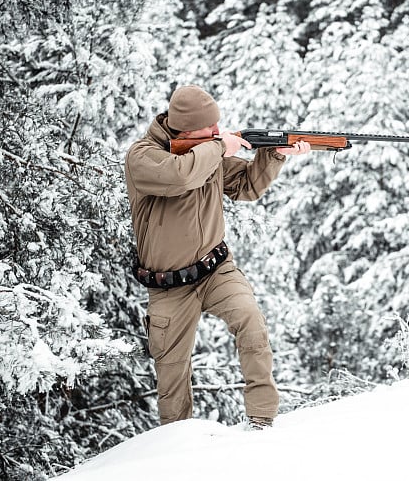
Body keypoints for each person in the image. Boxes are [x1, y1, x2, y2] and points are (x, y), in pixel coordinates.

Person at [124, 85, 310, 429]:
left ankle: (262, 420)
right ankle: (174, 448)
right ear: (184, 129)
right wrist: (220, 146)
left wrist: (274, 154)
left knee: (251, 321)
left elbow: (247, 187)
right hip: (168, 288)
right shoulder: (143, 157)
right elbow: (180, 176)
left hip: (216, 270)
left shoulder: (207, 152)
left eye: (216, 127)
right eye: (209, 128)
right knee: (171, 376)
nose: (216, 132)